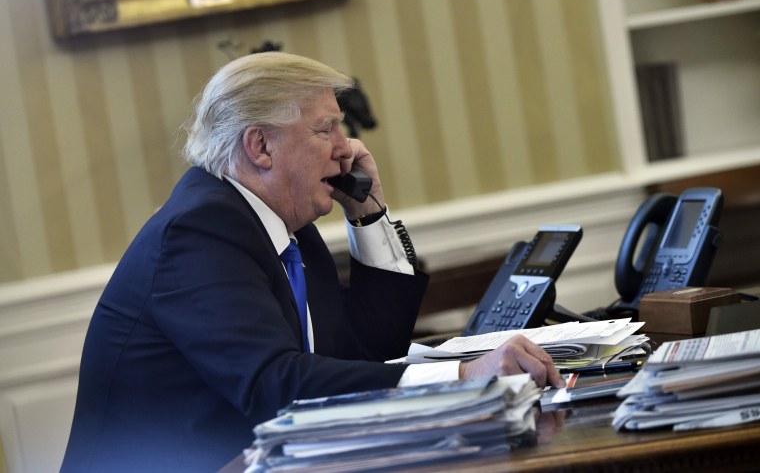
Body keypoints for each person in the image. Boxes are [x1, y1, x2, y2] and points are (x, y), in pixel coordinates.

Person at [61, 52, 564, 472]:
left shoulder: (286, 226)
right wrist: (460, 377)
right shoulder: (199, 232)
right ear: (260, 145)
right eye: (326, 130)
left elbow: (368, 354)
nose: (348, 151)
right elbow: (277, 385)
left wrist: (368, 213)